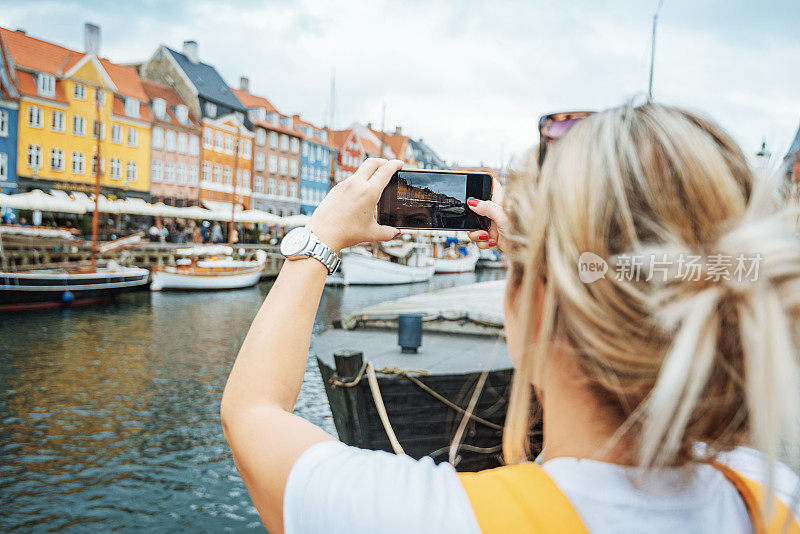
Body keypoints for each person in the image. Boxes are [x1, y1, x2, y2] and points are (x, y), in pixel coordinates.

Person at [221, 103, 800, 534]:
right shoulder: (769, 498)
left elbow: (251, 414)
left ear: (531, 307)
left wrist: (319, 239)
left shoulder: (441, 521)